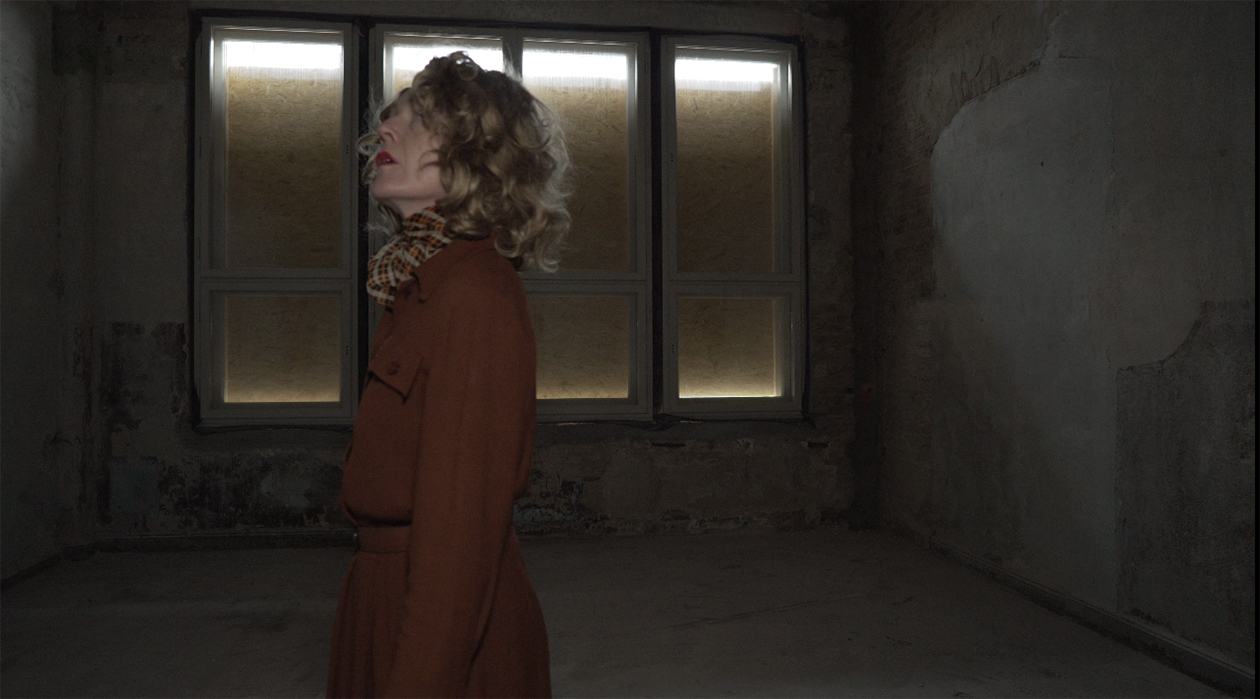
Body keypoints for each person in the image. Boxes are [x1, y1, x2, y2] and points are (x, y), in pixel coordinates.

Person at [326, 52, 569, 699]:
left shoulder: (472, 296)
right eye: (392, 116)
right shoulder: (420, 282)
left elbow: (458, 546)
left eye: (419, 120)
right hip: (382, 597)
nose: (386, 128)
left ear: (475, 157)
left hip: (437, 625)